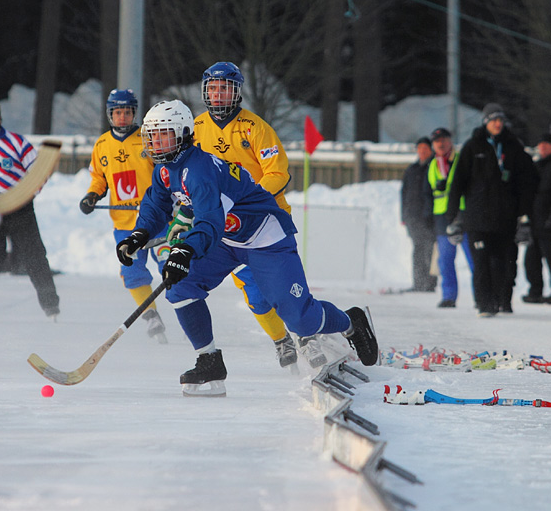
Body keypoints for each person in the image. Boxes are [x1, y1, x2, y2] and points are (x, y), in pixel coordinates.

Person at [116, 100, 378, 397]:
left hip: (264, 239)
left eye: (163, 134)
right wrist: (138, 235)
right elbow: (156, 204)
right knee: (180, 285)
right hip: (228, 240)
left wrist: (184, 251)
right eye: (151, 136)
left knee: (301, 319)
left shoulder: (199, 170)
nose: (155, 142)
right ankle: (209, 361)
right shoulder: (165, 169)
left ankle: (350, 322)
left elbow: (209, 221)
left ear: (184, 134)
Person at [191, 61, 300, 369]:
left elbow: (278, 172)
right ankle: (282, 340)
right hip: (226, 228)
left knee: (281, 287)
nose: (218, 94)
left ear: (236, 92)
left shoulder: (255, 128)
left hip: (265, 222)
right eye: (213, 88)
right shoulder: (197, 129)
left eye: (224, 88)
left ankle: (307, 333)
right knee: (256, 294)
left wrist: (249, 201)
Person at [79, 89, 168, 342]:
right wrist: (92, 196)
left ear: (134, 113)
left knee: (170, 264)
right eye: (118, 112)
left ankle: (187, 308)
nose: (122, 117)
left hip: (157, 220)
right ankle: (151, 316)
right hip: (125, 225)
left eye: (127, 112)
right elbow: (99, 178)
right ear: (110, 114)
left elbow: (166, 173)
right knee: (132, 272)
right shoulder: (102, 145)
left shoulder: (149, 139)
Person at [0, 96, 60, 320]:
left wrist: (29, 192)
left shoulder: (17, 142)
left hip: (19, 208)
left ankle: (50, 305)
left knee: (34, 255)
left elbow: (39, 170)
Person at [446, 104, 536, 317]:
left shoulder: (513, 147)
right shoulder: (472, 147)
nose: (497, 124)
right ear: (486, 122)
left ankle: (500, 300)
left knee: (502, 263)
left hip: (505, 218)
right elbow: (457, 182)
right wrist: (453, 217)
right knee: (481, 262)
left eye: (500, 120)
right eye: (493, 120)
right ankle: (484, 303)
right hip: (477, 218)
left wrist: (524, 215)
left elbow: (527, 183)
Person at [425, 127, 474, 307]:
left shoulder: (461, 160)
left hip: (462, 213)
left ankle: (480, 296)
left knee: (472, 257)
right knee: (445, 260)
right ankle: (449, 296)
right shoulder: (432, 164)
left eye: (444, 139)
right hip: (441, 217)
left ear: (450, 141)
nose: (441, 143)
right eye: (437, 141)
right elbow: (428, 193)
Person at [522, 133, 551, 305]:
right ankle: (535, 290)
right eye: (541, 144)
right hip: (535, 222)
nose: (543, 147)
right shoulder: (535, 167)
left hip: (549, 224)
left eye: (547, 144)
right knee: (531, 259)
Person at [401, 137, 437, 292]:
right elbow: (404, 193)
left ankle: (429, 284)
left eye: (425, 148)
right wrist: (404, 216)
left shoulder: (434, 166)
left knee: (430, 250)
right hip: (413, 217)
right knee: (418, 250)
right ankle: (418, 282)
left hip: (429, 218)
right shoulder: (412, 169)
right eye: (420, 148)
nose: (422, 151)